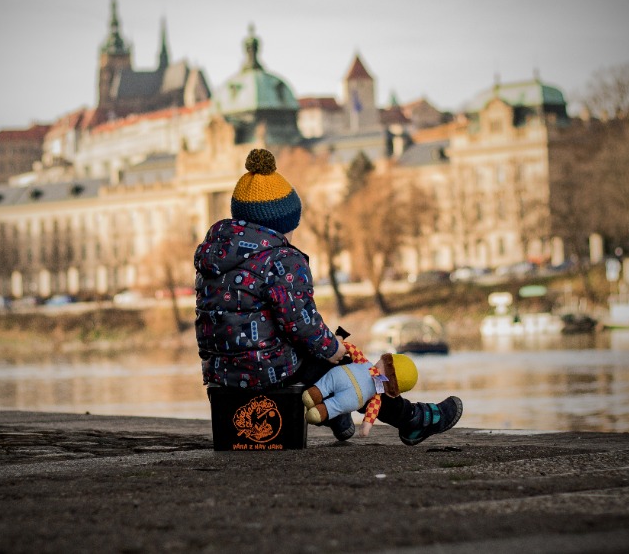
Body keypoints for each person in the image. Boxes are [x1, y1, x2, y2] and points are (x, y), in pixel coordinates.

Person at [194, 147, 462, 445]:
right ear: (282, 223)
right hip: (266, 372)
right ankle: (413, 419)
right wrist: (332, 347)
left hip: (222, 375)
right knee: (357, 372)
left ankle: (337, 416)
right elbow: (301, 322)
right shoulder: (281, 258)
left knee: (319, 358)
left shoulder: (213, 256)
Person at [302, 343, 419, 438]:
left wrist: (366, 426)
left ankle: (331, 416)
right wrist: (338, 346)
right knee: (325, 385)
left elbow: (373, 410)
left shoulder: (376, 395)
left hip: (343, 399)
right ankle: (328, 411)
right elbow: (353, 350)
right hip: (333, 378)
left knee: (333, 405)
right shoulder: (364, 364)